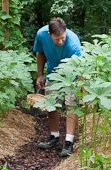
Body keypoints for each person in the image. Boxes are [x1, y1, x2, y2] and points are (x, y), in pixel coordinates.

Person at [33, 16, 83, 157]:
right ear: (50, 35)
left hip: (71, 76)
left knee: (70, 105)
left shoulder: (73, 43)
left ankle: (68, 142)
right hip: (53, 73)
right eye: (57, 39)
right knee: (51, 104)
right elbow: (40, 52)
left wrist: (83, 92)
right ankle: (54, 137)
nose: (61, 41)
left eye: (63, 38)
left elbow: (81, 69)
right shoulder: (41, 35)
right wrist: (40, 75)